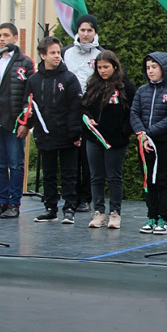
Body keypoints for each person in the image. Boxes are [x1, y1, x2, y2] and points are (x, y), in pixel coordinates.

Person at [19, 36, 83, 224]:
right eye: (52, 53)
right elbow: (28, 102)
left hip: (67, 134)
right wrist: (26, 120)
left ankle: (70, 207)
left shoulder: (69, 78)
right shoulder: (34, 80)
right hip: (44, 134)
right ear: (42, 55)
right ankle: (50, 208)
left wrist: (75, 132)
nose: (57, 56)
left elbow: (76, 106)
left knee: (69, 173)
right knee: (48, 174)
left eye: (58, 52)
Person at [0, 23, 34, 219]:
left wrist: (26, 122)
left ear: (15, 38)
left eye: (6, 35)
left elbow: (30, 95)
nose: (2, 39)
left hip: (13, 120)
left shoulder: (25, 63)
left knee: (16, 164)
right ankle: (1, 202)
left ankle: (14, 203)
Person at [81, 50, 135, 229]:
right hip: (94, 138)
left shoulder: (125, 86)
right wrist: (87, 118)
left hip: (116, 140)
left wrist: (124, 131)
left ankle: (115, 213)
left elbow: (132, 112)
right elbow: (84, 107)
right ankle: (98, 212)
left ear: (115, 66)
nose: (103, 71)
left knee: (114, 176)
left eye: (106, 67)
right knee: (95, 176)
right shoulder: (93, 84)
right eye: (99, 68)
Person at [130, 51, 167, 235]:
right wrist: (142, 135)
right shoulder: (142, 91)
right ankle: (151, 216)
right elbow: (134, 113)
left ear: (163, 68)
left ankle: (163, 218)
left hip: (164, 143)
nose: (150, 71)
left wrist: (149, 133)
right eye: (148, 67)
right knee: (148, 180)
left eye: (154, 67)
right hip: (145, 143)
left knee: (163, 180)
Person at [62, 13, 102, 213]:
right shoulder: (66, 52)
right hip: (69, 109)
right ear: (77, 31)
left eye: (89, 30)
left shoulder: (100, 54)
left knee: (87, 156)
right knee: (70, 156)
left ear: (95, 32)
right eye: (82, 30)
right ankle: (71, 195)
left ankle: (86, 197)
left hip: (91, 110)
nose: (85, 34)